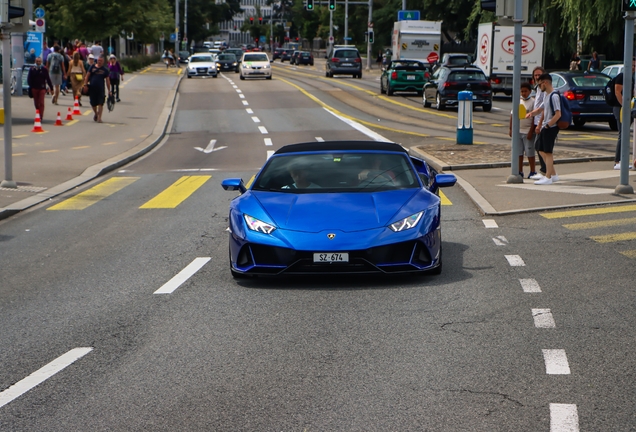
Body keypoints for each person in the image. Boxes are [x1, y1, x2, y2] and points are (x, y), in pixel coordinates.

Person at [533, 73, 561, 185]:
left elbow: (558, 114)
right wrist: (532, 113)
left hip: (551, 127)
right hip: (546, 126)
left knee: (548, 152)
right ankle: (553, 174)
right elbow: (542, 109)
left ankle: (548, 176)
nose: (539, 87)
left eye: (540, 85)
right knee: (540, 149)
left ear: (545, 83)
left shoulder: (554, 96)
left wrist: (548, 125)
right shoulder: (547, 95)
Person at [612, 59, 636, 170]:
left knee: (625, 134)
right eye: (632, 65)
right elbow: (617, 91)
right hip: (620, 108)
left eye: (635, 65)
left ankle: (623, 160)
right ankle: (617, 161)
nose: (634, 67)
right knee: (622, 134)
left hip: (628, 108)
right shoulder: (622, 76)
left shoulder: (631, 78)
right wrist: (624, 106)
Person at [510, 82, 537, 178]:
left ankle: (533, 170)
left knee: (529, 152)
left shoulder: (533, 102)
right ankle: (520, 170)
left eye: (525, 91)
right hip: (518, 131)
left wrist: (531, 131)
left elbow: (534, 118)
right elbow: (512, 115)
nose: (523, 93)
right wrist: (511, 129)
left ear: (530, 91)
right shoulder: (518, 101)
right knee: (519, 152)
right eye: (522, 91)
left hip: (528, 131)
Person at [525, 66, 548, 180]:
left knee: (541, 147)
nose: (537, 77)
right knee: (540, 147)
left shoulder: (544, 90)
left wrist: (539, 124)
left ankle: (546, 171)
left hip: (543, 122)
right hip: (538, 120)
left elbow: (543, 107)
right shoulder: (537, 88)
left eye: (539, 75)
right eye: (535, 75)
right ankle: (546, 170)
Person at [84, 55, 112, 123]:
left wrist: (109, 90)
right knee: (93, 103)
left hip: (100, 89)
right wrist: (85, 85)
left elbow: (108, 80)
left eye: (101, 61)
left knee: (100, 103)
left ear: (103, 62)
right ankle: (96, 113)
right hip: (92, 88)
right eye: (98, 60)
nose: (99, 62)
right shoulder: (92, 67)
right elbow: (87, 76)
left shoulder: (105, 70)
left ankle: (99, 118)